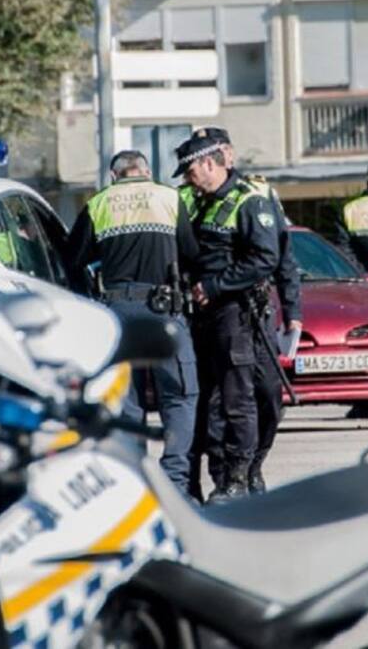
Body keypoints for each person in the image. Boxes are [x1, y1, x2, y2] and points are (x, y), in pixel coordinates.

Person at [64, 150, 199, 495]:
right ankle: (175, 481)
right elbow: (191, 252)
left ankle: (137, 482)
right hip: (164, 307)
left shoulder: (99, 203)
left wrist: (88, 298)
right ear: (146, 171)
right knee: (180, 395)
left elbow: (72, 260)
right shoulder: (169, 198)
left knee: (127, 399)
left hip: (117, 311)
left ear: (114, 175)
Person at [175, 129, 279, 501]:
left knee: (240, 399)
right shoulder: (192, 200)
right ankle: (219, 477)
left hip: (236, 313)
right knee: (207, 402)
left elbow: (267, 258)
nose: (189, 180)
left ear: (209, 163)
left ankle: (240, 477)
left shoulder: (249, 200)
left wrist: (216, 286)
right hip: (201, 316)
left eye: (191, 172)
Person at [208, 128, 302, 495]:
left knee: (268, 393)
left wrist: (292, 309)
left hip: (258, 311)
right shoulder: (192, 196)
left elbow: (283, 255)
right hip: (220, 314)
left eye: (223, 150)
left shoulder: (258, 194)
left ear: (229, 154)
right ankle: (229, 476)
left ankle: (255, 465)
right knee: (225, 401)